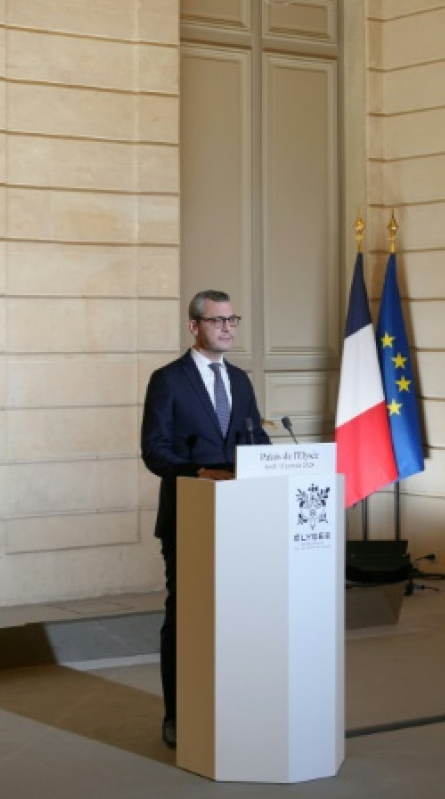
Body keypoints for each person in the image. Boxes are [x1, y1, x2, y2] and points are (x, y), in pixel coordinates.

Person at [141, 290, 270, 749]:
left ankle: (236, 705)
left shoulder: (241, 380)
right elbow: (154, 451)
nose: (228, 328)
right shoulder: (168, 381)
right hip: (189, 513)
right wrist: (199, 472)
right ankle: (178, 714)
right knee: (185, 616)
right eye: (217, 321)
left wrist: (275, 468)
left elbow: (256, 442)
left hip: (243, 518)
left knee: (241, 614)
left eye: (232, 319)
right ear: (194, 326)